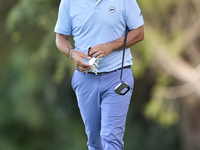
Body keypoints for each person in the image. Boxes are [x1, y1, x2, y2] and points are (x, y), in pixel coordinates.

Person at [54, 0, 144, 149]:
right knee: (95, 141)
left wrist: (111, 46)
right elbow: (60, 38)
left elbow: (139, 32)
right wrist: (72, 53)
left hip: (118, 75)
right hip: (85, 78)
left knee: (111, 138)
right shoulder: (68, 2)